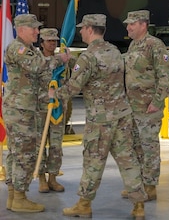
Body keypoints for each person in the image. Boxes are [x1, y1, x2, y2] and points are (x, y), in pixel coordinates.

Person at [50, 14, 146, 218]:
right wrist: (71, 62)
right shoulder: (114, 51)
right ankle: (139, 206)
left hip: (100, 119)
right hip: (122, 115)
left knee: (93, 161)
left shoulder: (88, 57)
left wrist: (54, 94)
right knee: (128, 160)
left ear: (90, 29)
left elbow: (74, 87)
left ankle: (84, 204)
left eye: (82, 28)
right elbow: (100, 72)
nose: (80, 31)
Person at [4, 14, 70, 213]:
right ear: (21, 29)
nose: (37, 32)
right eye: (33, 28)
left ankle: (15, 196)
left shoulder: (32, 50)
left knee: (20, 153)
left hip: (27, 108)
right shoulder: (18, 48)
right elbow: (39, 66)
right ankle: (19, 197)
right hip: (20, 110)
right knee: (23, 154)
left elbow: (42, 76)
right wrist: (60, 58)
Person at [122, 10, 169, 202]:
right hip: (132, 107)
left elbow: (165, 77)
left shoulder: (155, 45)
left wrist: (157, 102)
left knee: (149, 147)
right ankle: (138, 185)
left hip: (148, 108)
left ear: (143, 24)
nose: (128, 28)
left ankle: (150, 186)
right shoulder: (134, 45)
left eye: (131, 24)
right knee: (135, 147)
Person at [36, 28, 76, 193]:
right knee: (40, 144)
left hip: (59, 108)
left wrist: (70, 60)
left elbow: (76, 72)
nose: (52, 43)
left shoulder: (63, 58)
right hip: (41, 108)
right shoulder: (37, 60)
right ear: (42, 42)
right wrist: (60, 60)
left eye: (55, 41)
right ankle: (41, 179)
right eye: (49, 40)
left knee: (56, 145)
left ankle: (53, 177)